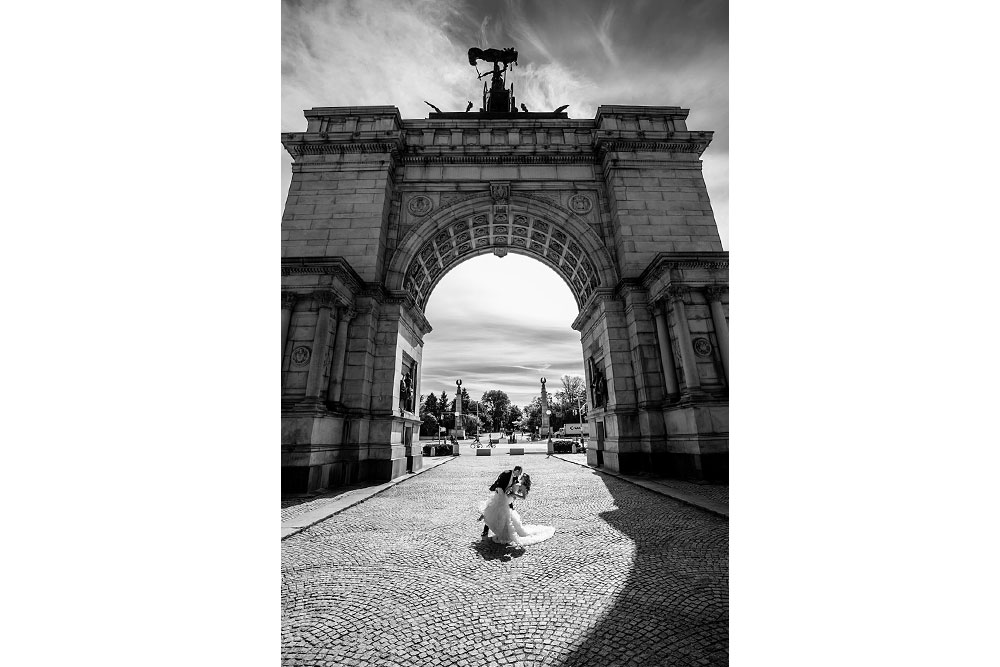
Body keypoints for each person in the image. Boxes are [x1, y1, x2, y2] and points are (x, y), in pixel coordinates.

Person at [478, 467, 555, 546]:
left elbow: (522, 496)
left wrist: (513, 494)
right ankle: (489, 526)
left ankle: (501, 531)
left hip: (506, 499)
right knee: (494, 510)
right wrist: (506, 491)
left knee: (497, 512)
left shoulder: (522, 485)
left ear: (525, 479)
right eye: (520, 474)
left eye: (522, 476)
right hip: (504, 498)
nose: (520, 476)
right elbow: (504, 484)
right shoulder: (514, 478)